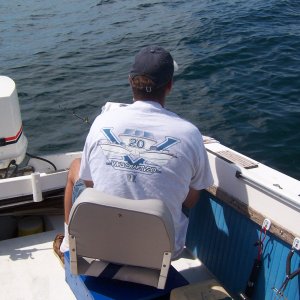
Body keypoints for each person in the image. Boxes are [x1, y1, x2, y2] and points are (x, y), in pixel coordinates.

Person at [53, 45, 213, 263]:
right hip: (163, 251)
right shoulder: (190, 134)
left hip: (101, 243)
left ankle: (67, 245)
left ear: (130, 81)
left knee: (75, 167)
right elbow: (191, 200)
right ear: (170, 86)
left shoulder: (102, 122)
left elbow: (89, 184)